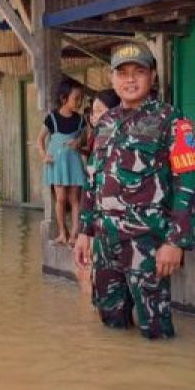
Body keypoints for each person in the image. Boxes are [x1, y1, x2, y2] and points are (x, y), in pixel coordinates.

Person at [73, 42, 195, 340]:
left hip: (147, 244)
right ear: (112, 78)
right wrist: (84, 231)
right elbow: (93, 180)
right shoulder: (105, 123)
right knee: (110, 324)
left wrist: (176, 241)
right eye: (123, 73)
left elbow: (189, 181)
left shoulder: (173, 121)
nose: (130, 80)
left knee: (155, 331)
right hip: (106, 244)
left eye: (139, 72)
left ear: (153, 76)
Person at [75, 90, 120, 300]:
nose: (94, 118)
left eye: (100, 111)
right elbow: (91, 187)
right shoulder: (98, 140)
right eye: (93, 113)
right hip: (99, 225)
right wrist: (85, 231)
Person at [39, 77, 87, 245]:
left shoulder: (80, 120)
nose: (80, 102)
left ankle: (74, 234)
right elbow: (40, 140)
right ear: (63, 98)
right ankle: (62, 233)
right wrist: (44, 156)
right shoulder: (52, 118)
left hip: (73, 163)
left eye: (81, 98)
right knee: (60, 199)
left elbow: (85, 138)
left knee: (74, 200)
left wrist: (78, 142)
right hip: (57, 165)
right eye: (76, 98)